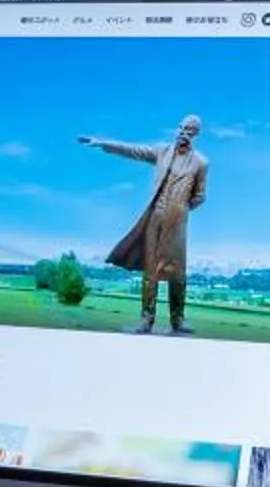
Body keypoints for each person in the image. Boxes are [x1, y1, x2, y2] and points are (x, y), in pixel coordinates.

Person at [79, 115, 208, 334]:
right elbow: (133, 150)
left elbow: (200, 196)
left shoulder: (200, 163)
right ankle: (146, 320)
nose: (183, 131)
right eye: (181, 127)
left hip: (177, 223)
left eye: (189, 129)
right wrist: (102, 143)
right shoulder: (162, 152)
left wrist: (181, 210)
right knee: (150, 271)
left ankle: (178, 320)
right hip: (154, 218)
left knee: (177, 272)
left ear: (196, 133)